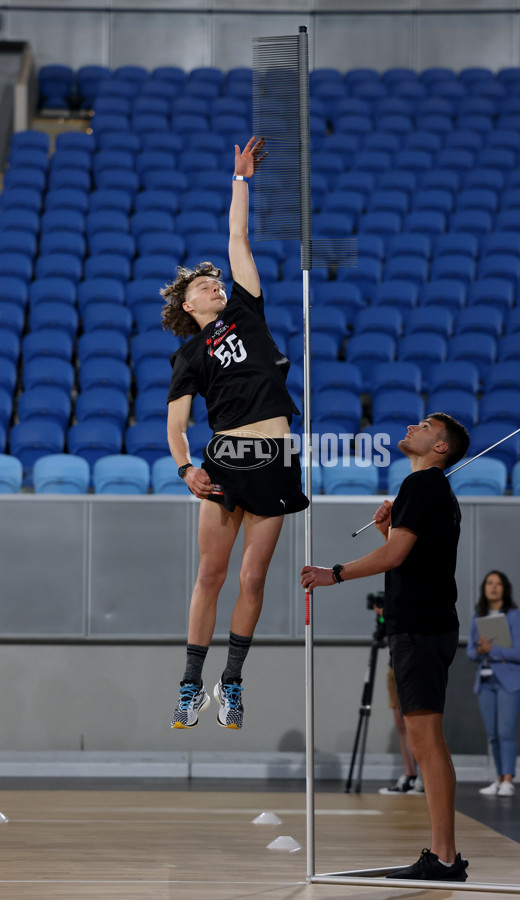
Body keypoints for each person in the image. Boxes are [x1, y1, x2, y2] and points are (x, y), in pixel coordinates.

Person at [162, 136, 309, 732]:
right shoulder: (190, 353)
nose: (215, 284)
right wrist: (184, 468)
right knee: (213, 576)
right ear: (185, 303)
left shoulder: (247, 309)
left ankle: (233, 681)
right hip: (225, 459)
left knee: (254, 578)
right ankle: (191, 684)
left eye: (216, 282)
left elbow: (238, 240)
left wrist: (240, 181)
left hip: (275, 455)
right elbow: (176, 425)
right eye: (204, 286)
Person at [301, 413, 471, 882]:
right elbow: (411, 555)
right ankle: (445, 855)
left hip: (418, 626)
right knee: (427, 740)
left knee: (426, 741)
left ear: (441, 447)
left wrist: (330, 573)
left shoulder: (423, 486)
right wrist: (387, 532)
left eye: (424, 426)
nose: (414, 427)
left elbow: (395, 558)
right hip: (427, 624)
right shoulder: (433, 491)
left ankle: (444, 857)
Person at [466, 571, 520, 797]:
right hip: (485, 679)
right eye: (489, 583)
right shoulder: (478, 616)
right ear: (484, 588)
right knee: (493, 733)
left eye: (498, 584)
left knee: (506, 731)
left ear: (505, 588)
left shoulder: (514, 615)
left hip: (509, 678)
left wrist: (492, 649)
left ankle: (508, 779)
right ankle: (498, 777)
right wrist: (479, 650)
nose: (493, 587)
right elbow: (470, 652)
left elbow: (518, 651)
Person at [373, 603, 424, 796]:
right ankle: (409, 775)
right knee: (401, 723)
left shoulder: (414, 593)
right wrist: (384, 618)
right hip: (395, 661)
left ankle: (424, 778)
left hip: (415, 658)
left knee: (418, 722)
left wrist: (388, 612)